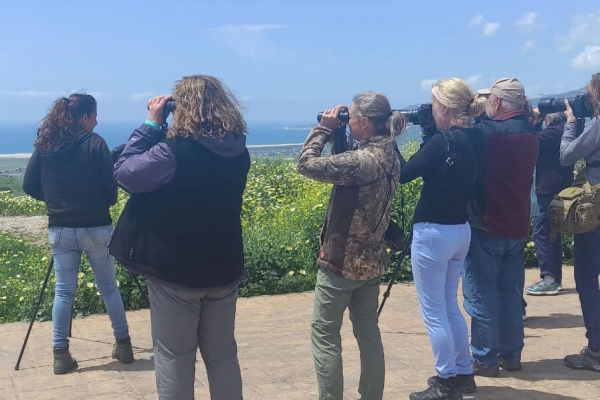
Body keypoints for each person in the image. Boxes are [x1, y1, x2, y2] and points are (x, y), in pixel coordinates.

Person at [109, 75, 250, 400]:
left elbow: (124, 172)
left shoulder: (173, 154)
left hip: (176, 273)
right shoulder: (238, 151)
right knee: (223, 355)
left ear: (180, 108)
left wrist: (150, 123)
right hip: (224, 268)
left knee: (174, 357)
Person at [296, 91, 404, 400]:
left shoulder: (360, 161)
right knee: (368, 332)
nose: (349, 121)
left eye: (353, 118)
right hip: (372, 261)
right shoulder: (392, 155)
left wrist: (324, 129)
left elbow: (306, 164)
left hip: (341, 263)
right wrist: (341, 131)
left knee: (325, 336)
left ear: (367, 123)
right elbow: (346, 172)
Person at [22, 93, 133, 375]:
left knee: (63, 292)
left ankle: (61, 354)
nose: (97, 121)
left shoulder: (46, 144)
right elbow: (110, 195)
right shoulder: (95, 144)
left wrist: (54, 200)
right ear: (84, 117)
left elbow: (29, 185)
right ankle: (123, 346)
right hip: (96, 227)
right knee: (108, 288)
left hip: (60, 228)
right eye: (94, 115)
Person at [401, 78, 484, 400]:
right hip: (460, 230)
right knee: (450, 307)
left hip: (434, 233)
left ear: (445, 108)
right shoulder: (476, 137)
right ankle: (464, 374)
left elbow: (402, 174)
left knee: (434, 312)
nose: (431, 112)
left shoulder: (442, 142)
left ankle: (446, 381)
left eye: (433, 107)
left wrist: (391, 140)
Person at [463, 78, 539, 377]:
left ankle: (484, 358)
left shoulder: (487, 134)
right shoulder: (532, 132)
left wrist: (473, 106)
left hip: (487, 223)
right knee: (510, 293)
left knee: (482, 295)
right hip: (517, 225)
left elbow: (467, 133)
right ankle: (511, 354)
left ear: (495, 102)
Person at [560, 72, 600, 372]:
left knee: (586, 276)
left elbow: (566, 155)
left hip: (595, 214)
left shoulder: (598, 126)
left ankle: (596, 351)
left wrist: (572, 122)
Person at [525, 112, 573, 295]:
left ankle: (548, 279)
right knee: (554, 234)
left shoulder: (551, 134)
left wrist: (533, 121)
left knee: (540, 233)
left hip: (548, 189)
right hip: (562, 187)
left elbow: (529, 142)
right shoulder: (565, 131)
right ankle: (555, 279)